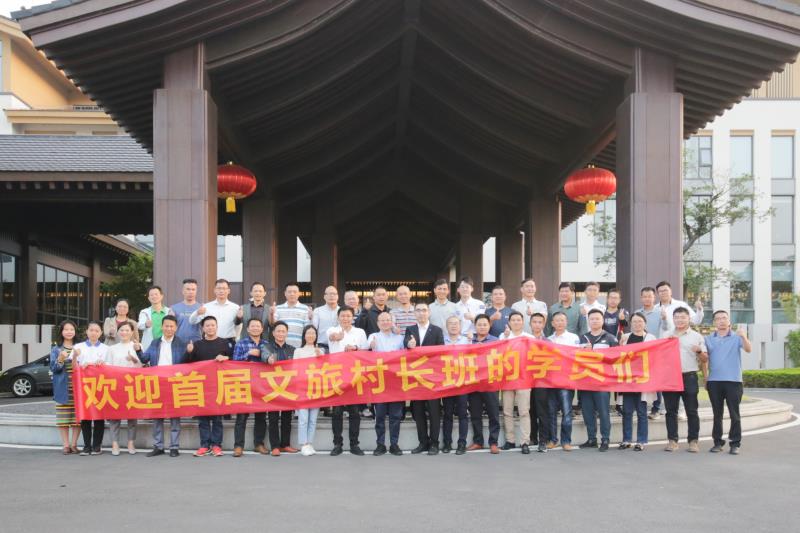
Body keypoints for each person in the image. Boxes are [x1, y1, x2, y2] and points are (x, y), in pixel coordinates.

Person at [139, 315, 187, 457]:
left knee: (174, 416)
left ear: (176, 328)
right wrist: (138, 350)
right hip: (157, 382)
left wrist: (190, 352)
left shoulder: (181, 343)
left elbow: (187, 363)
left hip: (174, 383)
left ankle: (174, 447)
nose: (169, 328)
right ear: (162, 327)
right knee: (157, 416)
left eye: (172, 326)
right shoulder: (155, 343)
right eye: (166, 326)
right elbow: (144, 359)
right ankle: (158, 446)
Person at [705, 310, 751, 455]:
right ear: (714, 322)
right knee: (717, 414)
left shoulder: (737, 337)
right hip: (714, 381)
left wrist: (744, 336)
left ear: (729, 321)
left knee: (734, 414)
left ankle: (735, 443)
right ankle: (717, 442)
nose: (721, 321)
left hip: (734, 381)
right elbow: (704, 359)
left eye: (724, 318)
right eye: (718, 318)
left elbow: (748, 349)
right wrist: (706, 378)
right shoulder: (708, 339)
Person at [186, 316, 232, 457]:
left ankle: (217, 445)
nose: (210, 327)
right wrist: (189, 352)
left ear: (217, 326)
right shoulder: (197, 344)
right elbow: (187, 364)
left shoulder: (224, 343)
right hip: (201, 386)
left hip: (218, 385)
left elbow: (234, 360)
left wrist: (226, 358)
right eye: (207, 325)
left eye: (213, 325)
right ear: (203, 328)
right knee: (203, 418)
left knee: (217, 418)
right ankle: (204, 445)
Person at [663, 307, 707, 453]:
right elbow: (658, 356)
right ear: (673, 319)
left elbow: (705, 359)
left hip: (689, 376)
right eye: (677, 317)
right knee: (671, 411)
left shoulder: (697, 337)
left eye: (683, 317)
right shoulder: (666, 335)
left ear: (689, 319)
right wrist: (666, 345)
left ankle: (693, 441)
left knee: (692, 411)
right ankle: (672, 441)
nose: (680, 320)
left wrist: (699, 351)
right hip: (670, 377)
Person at [404, 302, 445, 455]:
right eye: (418, 310)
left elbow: (441, 351)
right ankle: (423, 442)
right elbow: (405, 344)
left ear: (429, 312)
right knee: (418, 412)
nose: (421, 313)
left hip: (432, 378)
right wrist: (409, 344)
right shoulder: (410, 329)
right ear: (414, 313)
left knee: (434, 412)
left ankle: (434, 443)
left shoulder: (437, 330)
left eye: (424, 310)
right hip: (416, 378)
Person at [326, 306, 367, 456]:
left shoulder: (360, 332)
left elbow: (366, 351)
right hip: (337, 375)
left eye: (348, 316)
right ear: (338, 318)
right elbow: (332, 337)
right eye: (342, 316)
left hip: (354, 375)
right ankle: (337, 444)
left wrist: (355, 348)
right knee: (337, 412)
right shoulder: (332, 330)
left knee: (354, 411)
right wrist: (338, 337)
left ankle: (354, 444)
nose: (345, 318)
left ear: (353, 317)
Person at [578, 309, 618, 452]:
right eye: (592, 319)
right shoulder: (582, 338)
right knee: (587, 412)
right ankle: (591, 439)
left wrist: (595, 353)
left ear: (602, 321)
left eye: (597, 318)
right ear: (588, 321)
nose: (594, 321)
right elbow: (575, 359)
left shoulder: (610, 338)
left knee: (603, 412)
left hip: (602, 382)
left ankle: (605, 439)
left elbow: (616, 359)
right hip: (585, 381)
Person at [231, 318, 270, 457]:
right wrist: (248, 354)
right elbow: (234, 363)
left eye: (258, 326)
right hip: (244, 384)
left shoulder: (266, 344)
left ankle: (259, 444)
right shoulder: (241, 343)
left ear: (262, 329)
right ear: (247, 329)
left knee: (261, 416)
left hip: (261, 385)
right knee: (241, 417)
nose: (255, 328)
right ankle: (238, 446)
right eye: (252, 326)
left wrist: (266, 357)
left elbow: (271, 363)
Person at [369, 312, 405, 456]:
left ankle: (394, 444)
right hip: (379, 382)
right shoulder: (373, 336)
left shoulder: (400, 338)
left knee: (396, 415)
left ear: (392, 322)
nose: (385, 322)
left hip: (396, 382)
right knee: (380, 416)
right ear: (378, 323)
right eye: (382, 320)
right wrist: (371, 346)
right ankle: (380, 444)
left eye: (388, 320)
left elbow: (406, 355)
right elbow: (366, 350)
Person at [619, 312, 656, 451]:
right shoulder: (625, 337)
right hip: (628, 380)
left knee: (641, 412)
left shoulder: (651, 338)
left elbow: (655, 356)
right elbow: (619, 357)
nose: (637, 324)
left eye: (640, 321)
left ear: (645, 323)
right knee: (627, 411)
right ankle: (626, 439)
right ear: (631, 323)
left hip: (643, 380)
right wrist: (620, 344)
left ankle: (641, 441)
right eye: (634, 321)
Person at [106, 322, 143, 456]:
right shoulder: (112, 348)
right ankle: (115, 443)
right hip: (116, 384)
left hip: (132, 384)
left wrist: (134, 359)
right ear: (118, 331)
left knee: (132, 416)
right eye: (122, 330)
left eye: (127, 330)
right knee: (114, 416)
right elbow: (107, 366)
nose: (124, 332)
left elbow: (143, 366)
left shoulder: (137, 346)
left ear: (132, 332)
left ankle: (131, 442)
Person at [499, 311, 534, 454]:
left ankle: (525, 442)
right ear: (509, 322)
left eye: (518, 320)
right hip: (507, 379)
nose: (516, 322)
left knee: (524, 411)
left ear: (523, 322)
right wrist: (506, 338)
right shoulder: (503, 336)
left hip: (523, 379)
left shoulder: (529, 338)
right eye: (513, 320)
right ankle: (510, 440)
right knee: (507, 411)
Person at [466, 314, 501, 454]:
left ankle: (494, 442)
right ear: (475, 326)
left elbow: (500, 359)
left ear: (489, 325)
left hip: (490, 382)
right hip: (473, 382)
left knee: (493, 413)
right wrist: (472, 347)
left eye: (485, 324)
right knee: (475, 413)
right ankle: (478, 441)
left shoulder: (495, 341)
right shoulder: (469, 340)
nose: (482, 327)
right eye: (479, 324)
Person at [262, 321, 297, 456]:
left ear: (287, 333)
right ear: (273, 333)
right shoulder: (267, 347)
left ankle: (285, 444)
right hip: (273, 387)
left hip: (288, 387)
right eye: (278, 331)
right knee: (273, 418)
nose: (281, 333)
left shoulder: (292, 349)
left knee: (287, 417)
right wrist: (268, 359)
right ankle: (275, 446)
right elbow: (264, 355)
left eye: (283, 331)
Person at [73, 321, 108, 455]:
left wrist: (102, 364)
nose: (94, 333)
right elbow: (73, 366)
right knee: (85, 416)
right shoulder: (78, 347)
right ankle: (86, 446)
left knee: (99, 416)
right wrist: (78, 360)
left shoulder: (106, 348)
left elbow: (110, 368)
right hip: (84, 387)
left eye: (97, 330)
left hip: (100, 386)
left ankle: (97, 446)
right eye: (91, 330)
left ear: (101, 333)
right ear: (86, 331)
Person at [547, 312, 580, 451]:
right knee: (551, 412)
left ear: (566, 322)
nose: (559, 323)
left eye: (562, 320)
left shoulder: (573, 338)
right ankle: (553, 439)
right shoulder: (548, 340)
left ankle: (566, 441)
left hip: (567, 380)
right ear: (552, 323)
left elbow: (577, 357)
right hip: (550, 381)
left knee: (567, 412)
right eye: (557, 320)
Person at [294, 325, 325, 456]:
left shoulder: (320, 350)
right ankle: (304, 444)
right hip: (302, 388)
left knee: (313, 419)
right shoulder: (298, 351)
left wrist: (320, 356)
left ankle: (310, 443)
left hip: (315, 387)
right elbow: (295, 369)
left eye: (313, 333)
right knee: (303, 418)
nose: (311, 335)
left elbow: (325, 368)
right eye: (308, 333)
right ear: (304, 335)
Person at [51, 320, 81, 454]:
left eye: (72, 329)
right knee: (63, 418)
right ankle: (66, 445)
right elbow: (54, 369)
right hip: (63, 388)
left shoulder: (79, 347)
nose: (69, 332)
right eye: (66, 329)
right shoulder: (56, 349)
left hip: (78, 388)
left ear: (75, 332)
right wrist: (60, 359)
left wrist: (76, 357)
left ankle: (74, 444)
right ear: (61, 332)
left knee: (78, 418)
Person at [441, 315, 470, 455]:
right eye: (451, 323)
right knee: (447, 414)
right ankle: (447, 443)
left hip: (463, 382)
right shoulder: (441, 341)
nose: (453, 326)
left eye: (456, 323)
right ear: (446, 327)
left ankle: (462, 443)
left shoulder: (467, 340)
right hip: (447, 382)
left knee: (463, 414)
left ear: (460, 326)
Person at [635, 286, 664, 419]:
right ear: (641, 298)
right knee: (641, 378)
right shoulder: (637, 312)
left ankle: (656, 408)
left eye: (650, 296)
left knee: (656, 380)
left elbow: (666, 329)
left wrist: (665, 319)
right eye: (644, 296)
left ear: (654, 297)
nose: (647, 299)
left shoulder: (660, 312)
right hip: (640, 353)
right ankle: (640, 406)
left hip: (655, 351)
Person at [528, 313, 552, 452]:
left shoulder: (548, 341)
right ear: (530, 324)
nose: (537, 325)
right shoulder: (525, 340)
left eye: (539, 322)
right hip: (527, 380)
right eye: (534, 322)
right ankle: (533, 437)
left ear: (543, 324)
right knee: (530, 410)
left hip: (542, 381)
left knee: (542, 411)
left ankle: (543, 439)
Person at [270, 282, 311, 348]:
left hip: (299, 347)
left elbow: (307, 329)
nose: (292, 294)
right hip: (281, 346)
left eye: (295, 292)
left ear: (299, 294)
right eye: (289, 292)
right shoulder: (278, 308)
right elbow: (273, 324)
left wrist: (311, 318)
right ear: (285, 293)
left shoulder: (305, 308)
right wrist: (271, 314)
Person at [171, 278, 202, 343]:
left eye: (193, 289)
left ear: (196, 291)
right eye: (188, 289)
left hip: (197, 343)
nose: (191, 292)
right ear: (183, 291)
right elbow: (170, 327)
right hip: (178, 343)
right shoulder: (174, 308)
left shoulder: (201, 308)